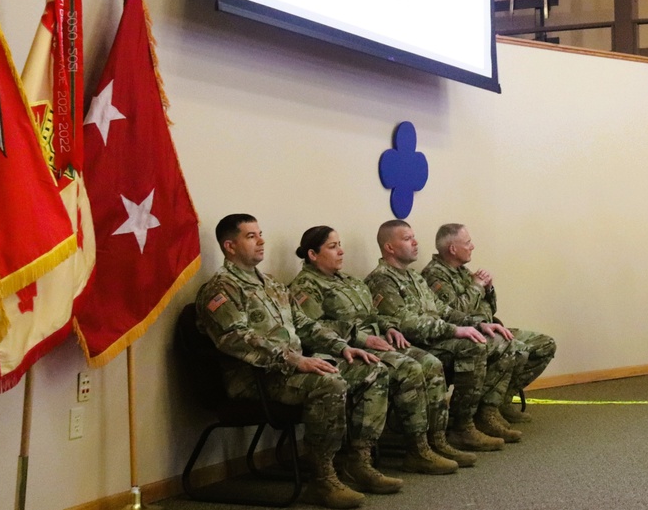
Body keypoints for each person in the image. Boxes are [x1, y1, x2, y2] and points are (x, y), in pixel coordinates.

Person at [196, 214, 398, 509]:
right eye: (251, 236)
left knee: (373, 370)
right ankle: (322, 480)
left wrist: (342, 347)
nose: (262, 240)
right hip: (257, 378)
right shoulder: (220, 289)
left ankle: (359, 461)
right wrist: (293, 359)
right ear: (230, 246)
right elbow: (235, 338)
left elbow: (305, 325)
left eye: (260, 233)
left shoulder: (272, 285)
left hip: (292, 369)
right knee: (329, 384)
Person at [288, 225, 472, 471]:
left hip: (377, 341)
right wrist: (361, 338)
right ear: (312, 254)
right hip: (343, 351)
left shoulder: (350, 281)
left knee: (430, 363)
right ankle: (386, 454)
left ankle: (433, 441)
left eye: (340, 245)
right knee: (408, 368)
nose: (341, 251)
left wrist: (388, 327)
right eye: (333, 247)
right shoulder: (305, 287)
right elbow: (313, 329)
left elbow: (373, 315)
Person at [365, 220, 522, 450]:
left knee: (494, 340)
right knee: (472, 347)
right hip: (415, 344)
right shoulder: (382, 280)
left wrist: (477, 325)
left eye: (414, 236)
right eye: (407, 239)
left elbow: (444, 310)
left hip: (434, 339)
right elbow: (409, 325)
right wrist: (455, 330)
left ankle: (479, 417)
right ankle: (460, 427)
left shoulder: (414, 278)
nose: (416, 242)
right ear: (389, 247)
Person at [422, 223, 556, 424]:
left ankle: (501, 400)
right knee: (514, 348)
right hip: (463, 335)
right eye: (467, 242)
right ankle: (485, 411)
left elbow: (489, 309)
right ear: (452, 249)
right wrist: (477, 286)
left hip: (488, 328)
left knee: (545, 344)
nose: (472, 246)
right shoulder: (435, 276)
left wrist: (489, 288)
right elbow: (453, 312)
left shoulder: (462, 271)